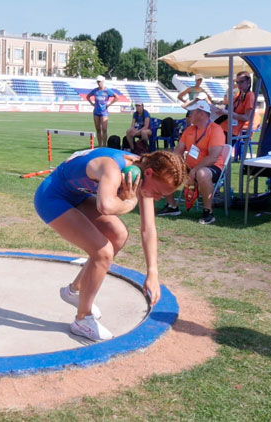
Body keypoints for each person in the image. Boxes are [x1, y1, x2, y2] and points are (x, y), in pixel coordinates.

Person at [34, 147, 187, 341]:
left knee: (118, 234)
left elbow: (148, 228)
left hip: (76, 196)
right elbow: (105, 206)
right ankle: (82, 320)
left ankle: (74, 291)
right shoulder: (113, 168)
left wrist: (153, 273)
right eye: (157, 192)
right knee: (103, 252)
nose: (157, 198)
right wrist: (130, 203)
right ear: (148, 173)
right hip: (51, 197)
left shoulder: (141, 172)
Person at [157, 100, 227, 225]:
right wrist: (173, 164)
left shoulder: (215, 130)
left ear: (201, 114)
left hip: (212, 167)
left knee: (202, 174)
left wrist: (194, 171)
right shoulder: (189, 130)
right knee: (165, 169)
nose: (189, 115)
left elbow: (213, 158)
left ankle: (208, 212)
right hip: (190, 166)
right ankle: (172, 206)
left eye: (191, 112)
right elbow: (178, 151)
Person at [215, 71, 255, 142]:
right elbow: (231, 110)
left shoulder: (249, 95)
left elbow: (246, 117)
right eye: (237, 82)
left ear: (248, 81)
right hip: (222, 127)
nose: (239, 85)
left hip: (230, 131)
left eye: (241, 81)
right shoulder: (238, 95)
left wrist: (227, 113)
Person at [86, 75, 118, 148]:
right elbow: (88, 96)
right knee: (98, 129)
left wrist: (109, 104)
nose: (99, 83)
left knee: (104, 129)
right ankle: (100, 145)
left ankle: (104, 144)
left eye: (100, 81)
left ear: (103, 82)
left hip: (104, 112)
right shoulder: (95, 90)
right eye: (98, 82)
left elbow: (116, 97)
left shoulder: (107, 91)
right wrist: (92, 104)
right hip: (96, 112)